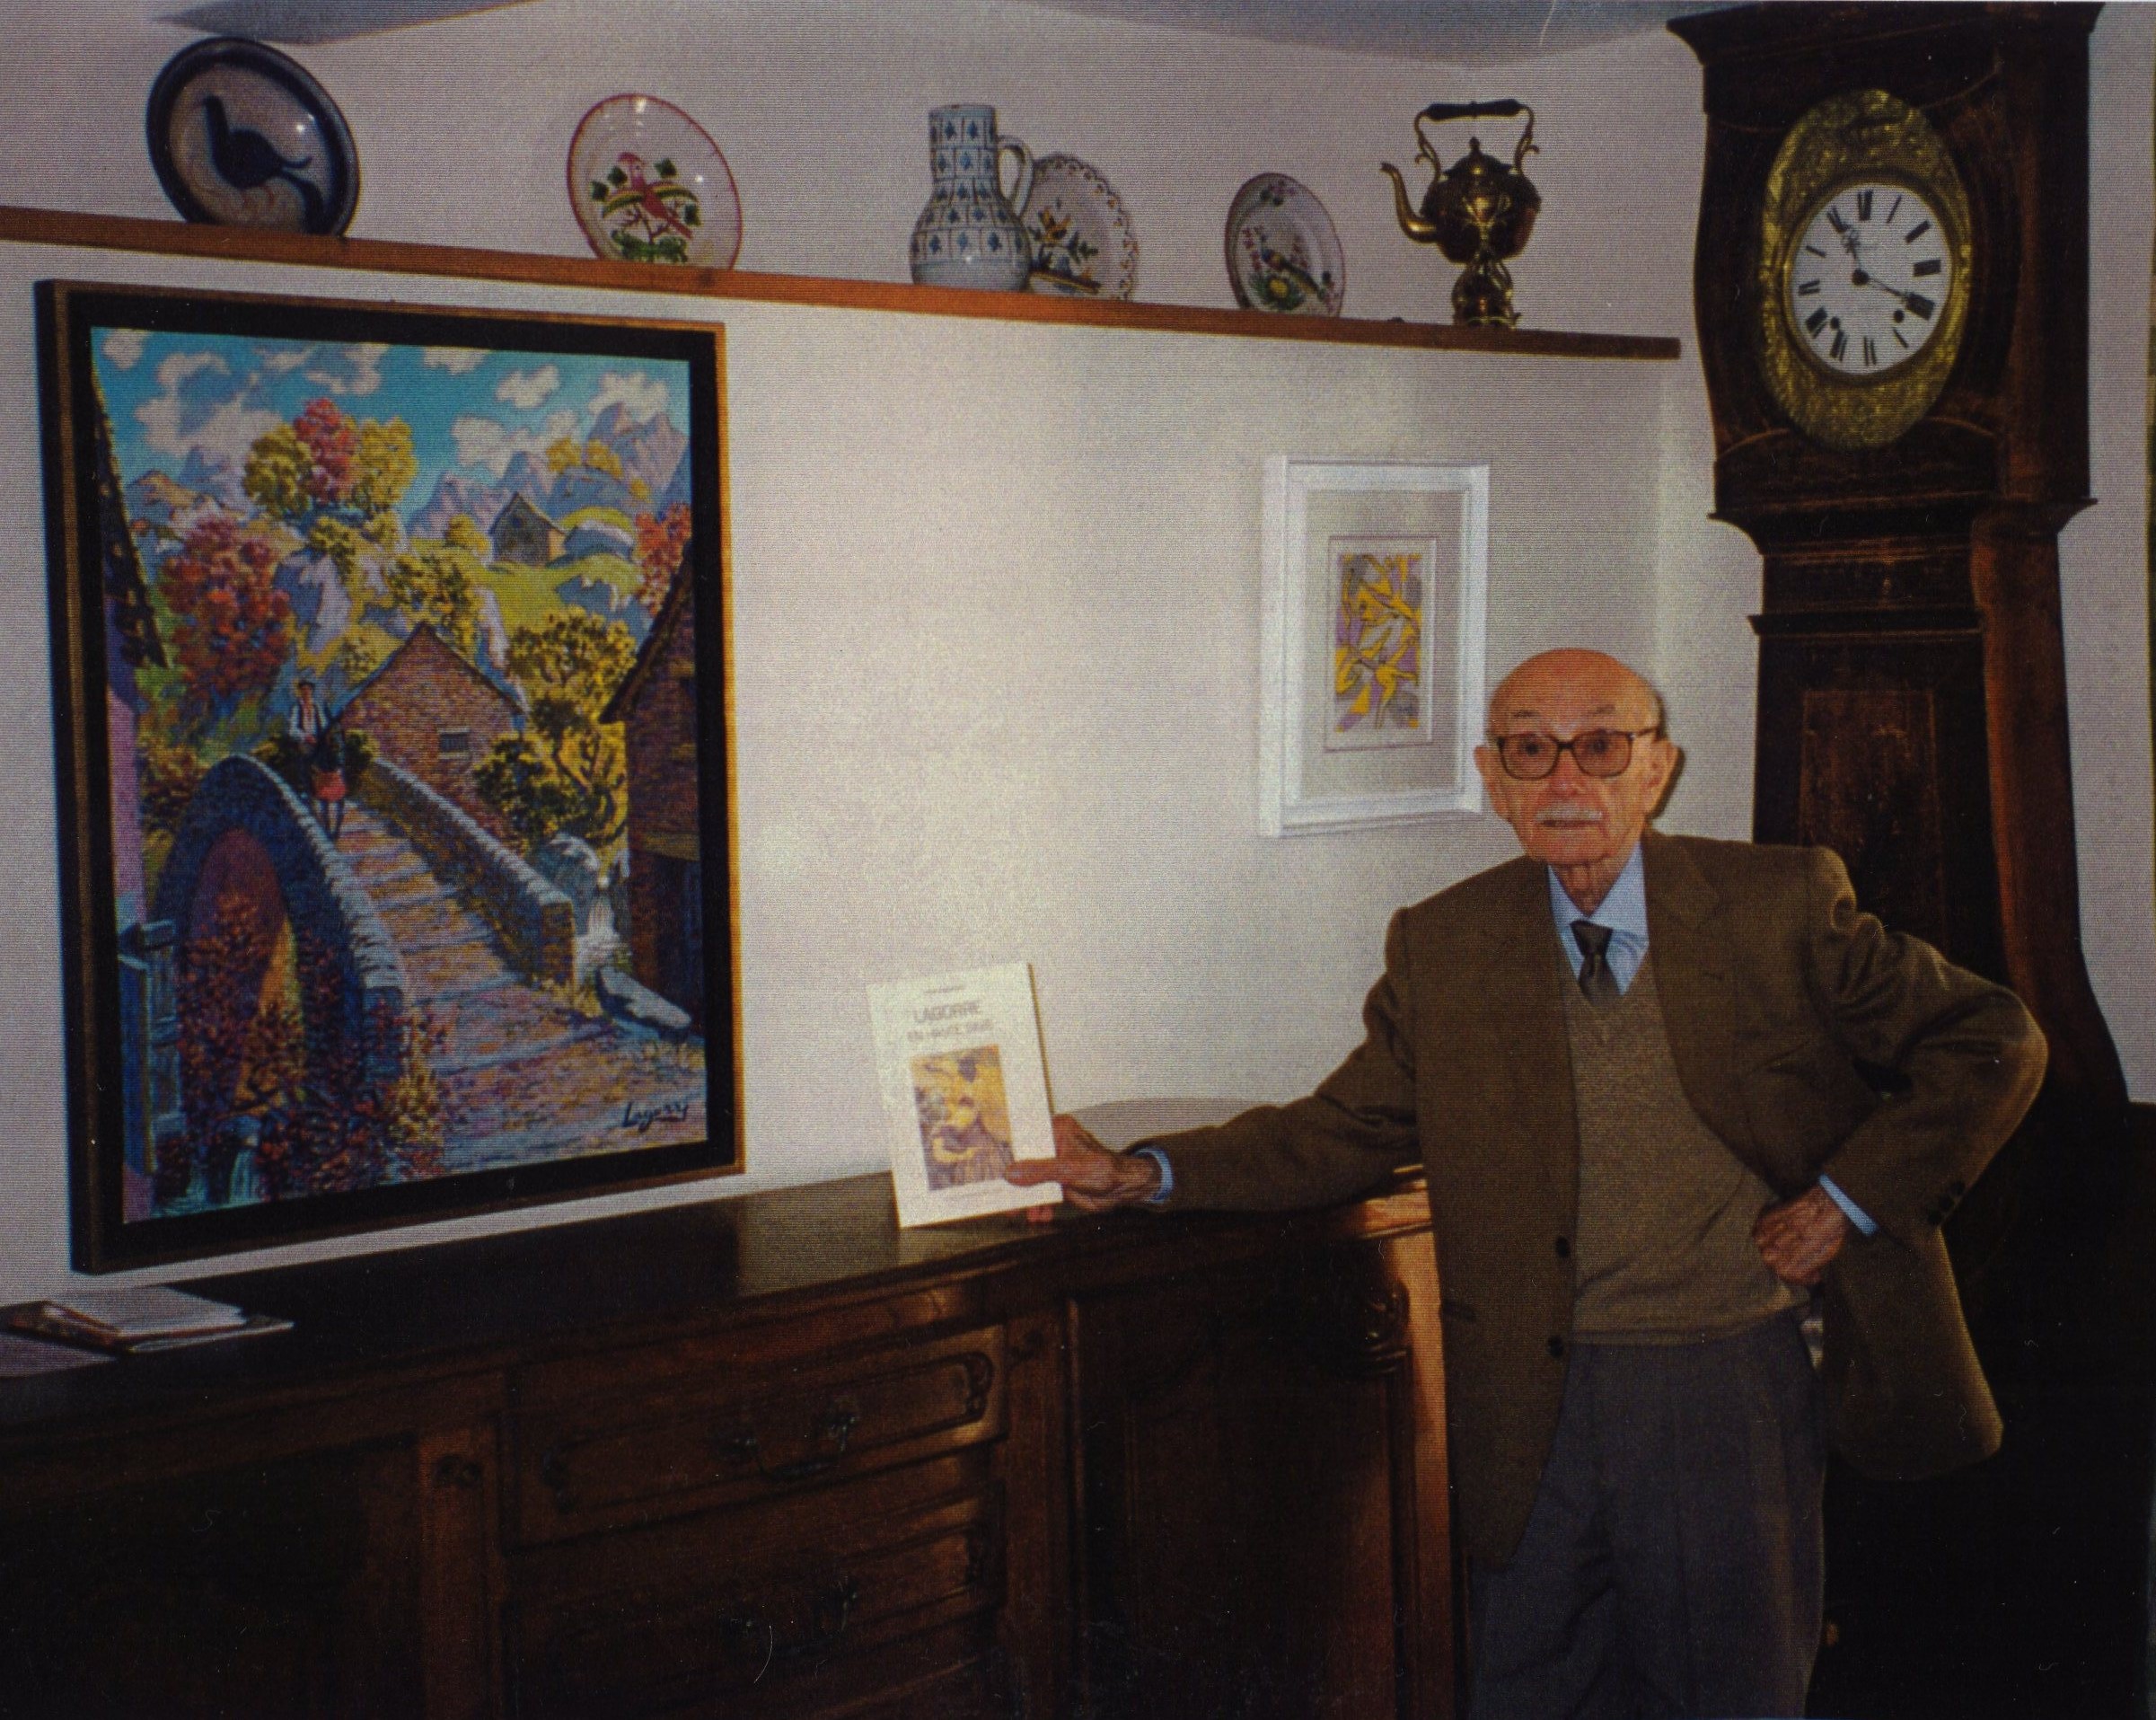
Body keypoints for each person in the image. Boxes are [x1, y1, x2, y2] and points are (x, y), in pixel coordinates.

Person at [1008, 647, 2046, 1719]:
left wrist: (1845, 1199)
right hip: (1520, 1401)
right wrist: (1145, 1171)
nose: (1565, 780)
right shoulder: (1446, 943)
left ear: (1656, 767)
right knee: (1528, 1691)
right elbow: (1343, 1128)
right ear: (1493, 779)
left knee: (1727, 1695)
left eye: (1600, 746)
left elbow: (1993, 1038)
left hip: (1719, 1385)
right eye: (1530, 750)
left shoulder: (1775, 904)